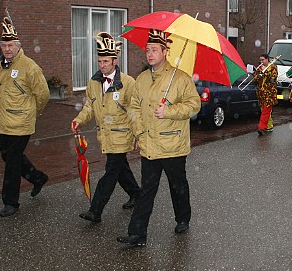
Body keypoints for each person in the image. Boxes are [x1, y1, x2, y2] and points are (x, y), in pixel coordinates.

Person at [117, 29, 201, 246]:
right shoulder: (142, 78)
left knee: (177, 185)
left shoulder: (180, 78)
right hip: (149, 144)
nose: (150, 54)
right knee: (147, 190)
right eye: (147, 50)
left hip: (172, 143)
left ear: (166, 51)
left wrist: (169, 111)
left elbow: (194, 105)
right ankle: (137, 234)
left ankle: (183, 218)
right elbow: (134, 107)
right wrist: (137, 130)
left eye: (155, 50)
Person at [71, 32, 141, 223]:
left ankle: (96, 210)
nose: (102, 65)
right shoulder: (94, 82)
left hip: (121, 135)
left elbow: (135, 111)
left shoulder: (128, 83)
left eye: (106, 61)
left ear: (115, 61)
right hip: (105, 135)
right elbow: (89, 106)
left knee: (110, 172)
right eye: (100, 61)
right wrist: (79, 120)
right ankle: (137, 194)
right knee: (120, 169)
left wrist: (138, 135)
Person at [0, 17, 50, 217]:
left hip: (21, 123)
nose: (7, 49)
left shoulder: (29, 67)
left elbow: (43, 94)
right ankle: (37, 178)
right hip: (3, 122)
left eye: (10, 45)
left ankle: (11, 202)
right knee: (7, 155)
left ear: (18, 46)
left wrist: (33, 113)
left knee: (12, 162)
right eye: (4, 45)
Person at [253, 53, 278, 135]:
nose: (261, 62)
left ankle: (261, 128)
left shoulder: (273, 67)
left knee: (265, 111)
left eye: (263, 60)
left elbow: (272, 79)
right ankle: (269, 126)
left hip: (269, 93)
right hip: (261, 93)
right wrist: (257, 73)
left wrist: (264, 72)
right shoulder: (259, 68)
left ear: (267, 59)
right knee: (264, 110)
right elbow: (254, 80)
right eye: (260, 60)